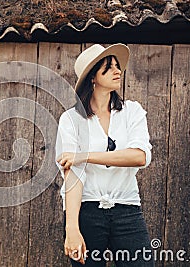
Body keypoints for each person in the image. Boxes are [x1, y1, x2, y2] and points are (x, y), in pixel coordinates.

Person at [55, 44, 154, 266]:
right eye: (108, 68)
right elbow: (73, 176)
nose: (118, 71)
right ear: (93, 78)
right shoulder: (71, 120)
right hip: (87, 212)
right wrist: (72, 229)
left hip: (127, 210)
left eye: (118, 66)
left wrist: (85, 155)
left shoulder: (132, 112)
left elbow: (139, 156)